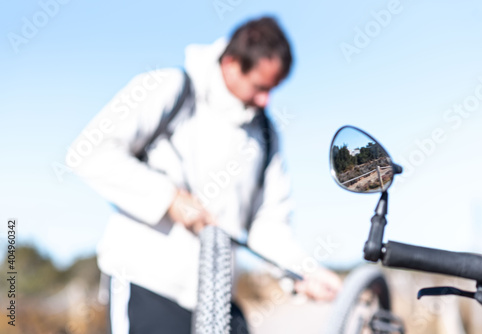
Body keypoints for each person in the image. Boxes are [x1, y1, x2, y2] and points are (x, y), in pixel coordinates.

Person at [68, 16, 341, 333]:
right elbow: (88, 152)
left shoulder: (265, 134)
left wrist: (304, 273)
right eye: (260, 87)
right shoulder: (170, 88)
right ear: (230, 63)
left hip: (216, 300)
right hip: (147, 286)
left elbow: (268, 225)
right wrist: (168, 198)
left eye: (273, 89)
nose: (266, 100)